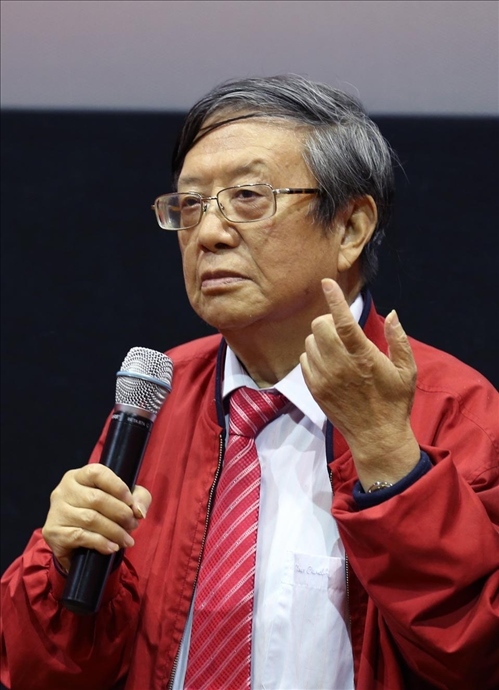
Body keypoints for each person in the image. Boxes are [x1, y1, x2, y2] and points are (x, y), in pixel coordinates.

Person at [1, 74, 498, 690]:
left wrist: (390, 460)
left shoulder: (457, 413)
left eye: (247, 197)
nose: (208, 234)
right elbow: (49, 671)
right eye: (190, 205)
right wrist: (61, 569)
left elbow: (476, 655)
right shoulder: (160, 397)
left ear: (349, 228)